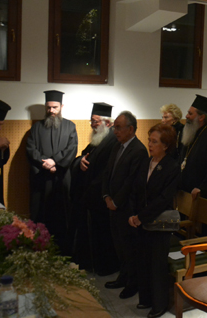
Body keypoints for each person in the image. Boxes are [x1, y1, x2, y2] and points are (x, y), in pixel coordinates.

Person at [128, 124, 179, 318]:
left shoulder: (171, 167)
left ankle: (159, 304)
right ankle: (146, 298)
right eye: (149, 140)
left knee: (157, 264)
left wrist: (141, 217)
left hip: (159, 224)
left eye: (154, 142)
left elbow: (163, 199)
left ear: (165, 145)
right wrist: (133, 214)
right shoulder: (146, 162)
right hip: (141, 220)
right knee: (143, 261)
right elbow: (136, 190)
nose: (149, 144)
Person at [69, 102, 120, 275]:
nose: (92, 125)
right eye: (91, 121)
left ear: (108, 123)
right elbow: (83, 155)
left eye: (95, 121)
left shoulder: (113, 141)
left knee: (102, 235)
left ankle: (103, 266)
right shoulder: (98, 138)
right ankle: (90, 263)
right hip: (91, 194)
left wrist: (90, 191)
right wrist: (80, 161)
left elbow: (107, 172)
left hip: (101, 197)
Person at [102, 111, 148, 299]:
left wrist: (116, 202)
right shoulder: (117, 146)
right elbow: (108, 173)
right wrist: (106, 196)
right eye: (115, 127)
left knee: (129, 247)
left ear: (131, 129)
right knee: (119, 245)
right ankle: (123, 276)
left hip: (127, 208)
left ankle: (132, 283)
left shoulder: (139, 150)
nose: (115, 131)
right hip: (113, 205)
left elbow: (131, 182)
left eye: (119, 127)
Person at [26, 90, 78, 255]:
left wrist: (55, 162)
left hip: (61, 179)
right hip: (42, 179)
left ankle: (63, 251)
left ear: (61, 106)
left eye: (55, 107)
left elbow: (72, 149)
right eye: (48, 107)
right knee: (40, 214)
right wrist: (46, 164)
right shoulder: (36, 128)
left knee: (62, 214)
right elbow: (31, 150)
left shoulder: (70, 126)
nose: (51, 111)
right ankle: (39, 249)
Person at [178, 95, 207, 200]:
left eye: (190, 114)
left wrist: (202, 188)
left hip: (201, 196)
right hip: (184, 194)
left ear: (201, 117)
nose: (186, 116)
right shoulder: (189, 134)